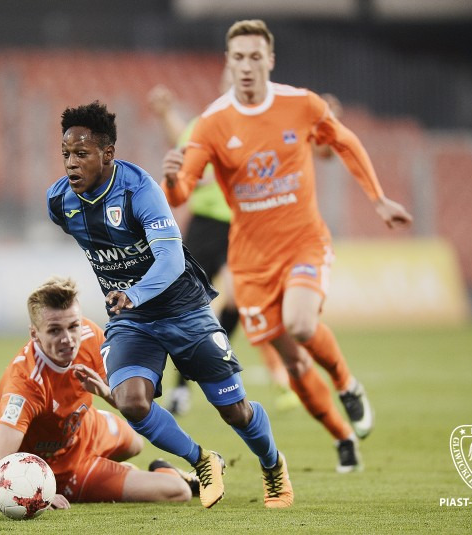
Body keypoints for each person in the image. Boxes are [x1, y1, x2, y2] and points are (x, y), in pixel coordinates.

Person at [162, 19, 413, 473]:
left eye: (255, 57)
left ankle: (346, 383)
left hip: (303, 243)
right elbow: (182, 192)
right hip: (251, 262)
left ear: (271, 60)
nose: (247, 66)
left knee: (300, 323)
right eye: (239, 57)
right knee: (294, 365)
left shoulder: (301, 104)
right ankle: (341, 436)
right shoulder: (212, 123)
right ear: (228, 62)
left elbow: (343, 142)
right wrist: (171, 178)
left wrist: (378, 199)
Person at [46, 101, 293, 509]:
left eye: (82, 154)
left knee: (234, 410)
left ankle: (272, 463)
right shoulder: (60, 201)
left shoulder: (139, 191)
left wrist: (134, 291)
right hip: (132, 320)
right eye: (66, 154)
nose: (71, 163)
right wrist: (128, 297)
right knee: (131, 401)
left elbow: (172, 260)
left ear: (108, 154)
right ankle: (202, 460)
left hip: (184, 311)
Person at [147, 80, 300, 415]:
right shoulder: (208, 123)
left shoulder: (259, 127)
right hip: (205, 225)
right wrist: (167, 115)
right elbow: (185, 142)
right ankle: (182, 386)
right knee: (187, 305)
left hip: (241, 226)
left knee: (239, 301)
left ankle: (221, 367)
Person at [0, 276, 198, 508]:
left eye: (73, 326)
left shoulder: (88, 334)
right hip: (63, 468)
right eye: (54, 330)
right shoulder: (25, 385)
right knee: (178, 491)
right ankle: (158, 472)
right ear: (35, 334)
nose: (68, 339)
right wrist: (41, 490)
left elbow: (126, 401)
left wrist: (105, 392)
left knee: (135, 443)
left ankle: (115, 473)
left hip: (87, 427)